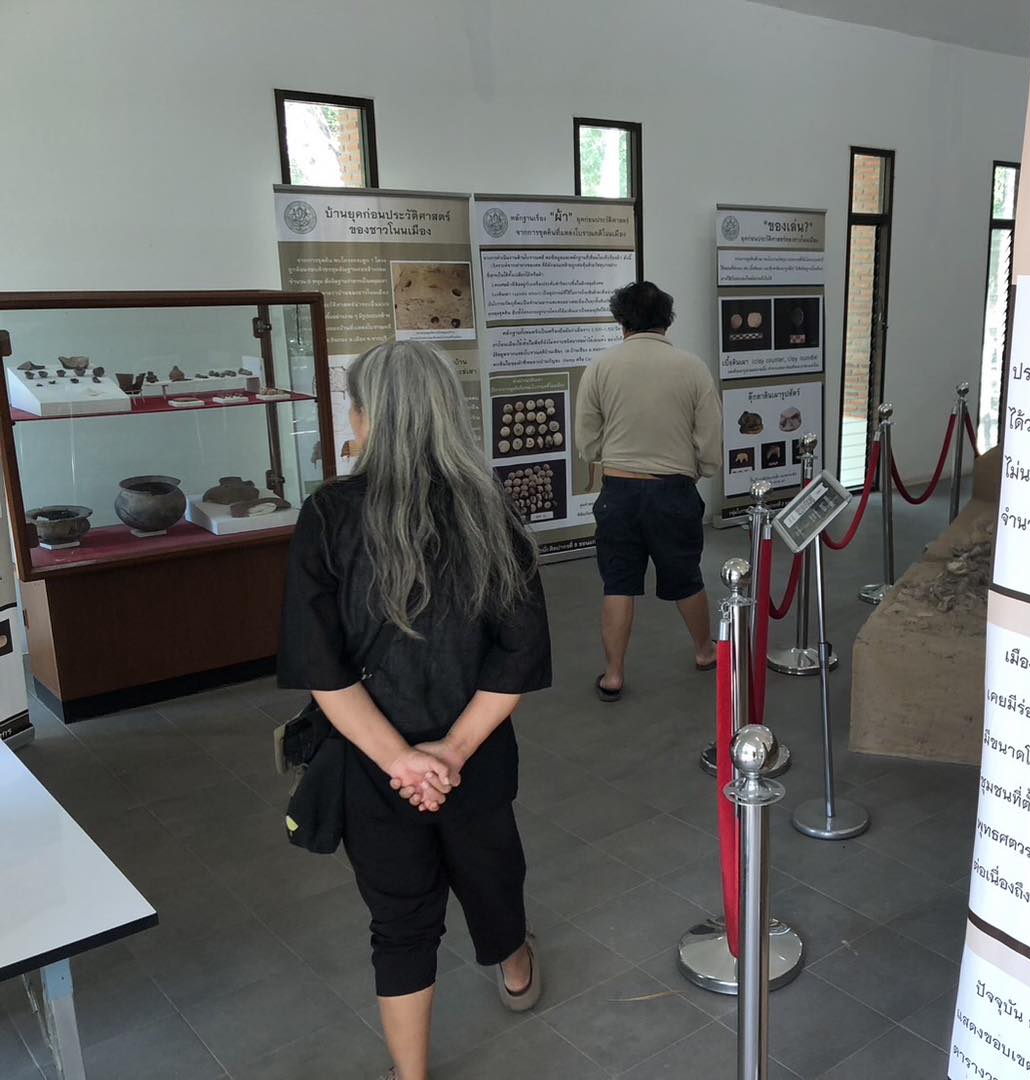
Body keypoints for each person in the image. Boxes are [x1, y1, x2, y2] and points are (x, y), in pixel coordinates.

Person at [278, 341, 552, 1080]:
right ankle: (516, 966)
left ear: (366, 417)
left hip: (369, 764)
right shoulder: (491, 508)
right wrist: (451, 754)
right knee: (492, 874)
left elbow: (323, 669)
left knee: (399, 921)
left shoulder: (329, 515)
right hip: (477, 755)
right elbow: (517, 656)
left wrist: (402, 761)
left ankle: (412, 1075)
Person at [576, 280, 723, 701]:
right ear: (667, 320)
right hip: (673, 490)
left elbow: (587, 439)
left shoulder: (601, 366)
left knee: (618, 583)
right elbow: (710, 435)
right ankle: (704, 650)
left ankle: (613, 675)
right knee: (686, 577)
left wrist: (609, 456)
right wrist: (700, 470)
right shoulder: (691, 367)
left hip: (619, 491)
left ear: (621, 320)